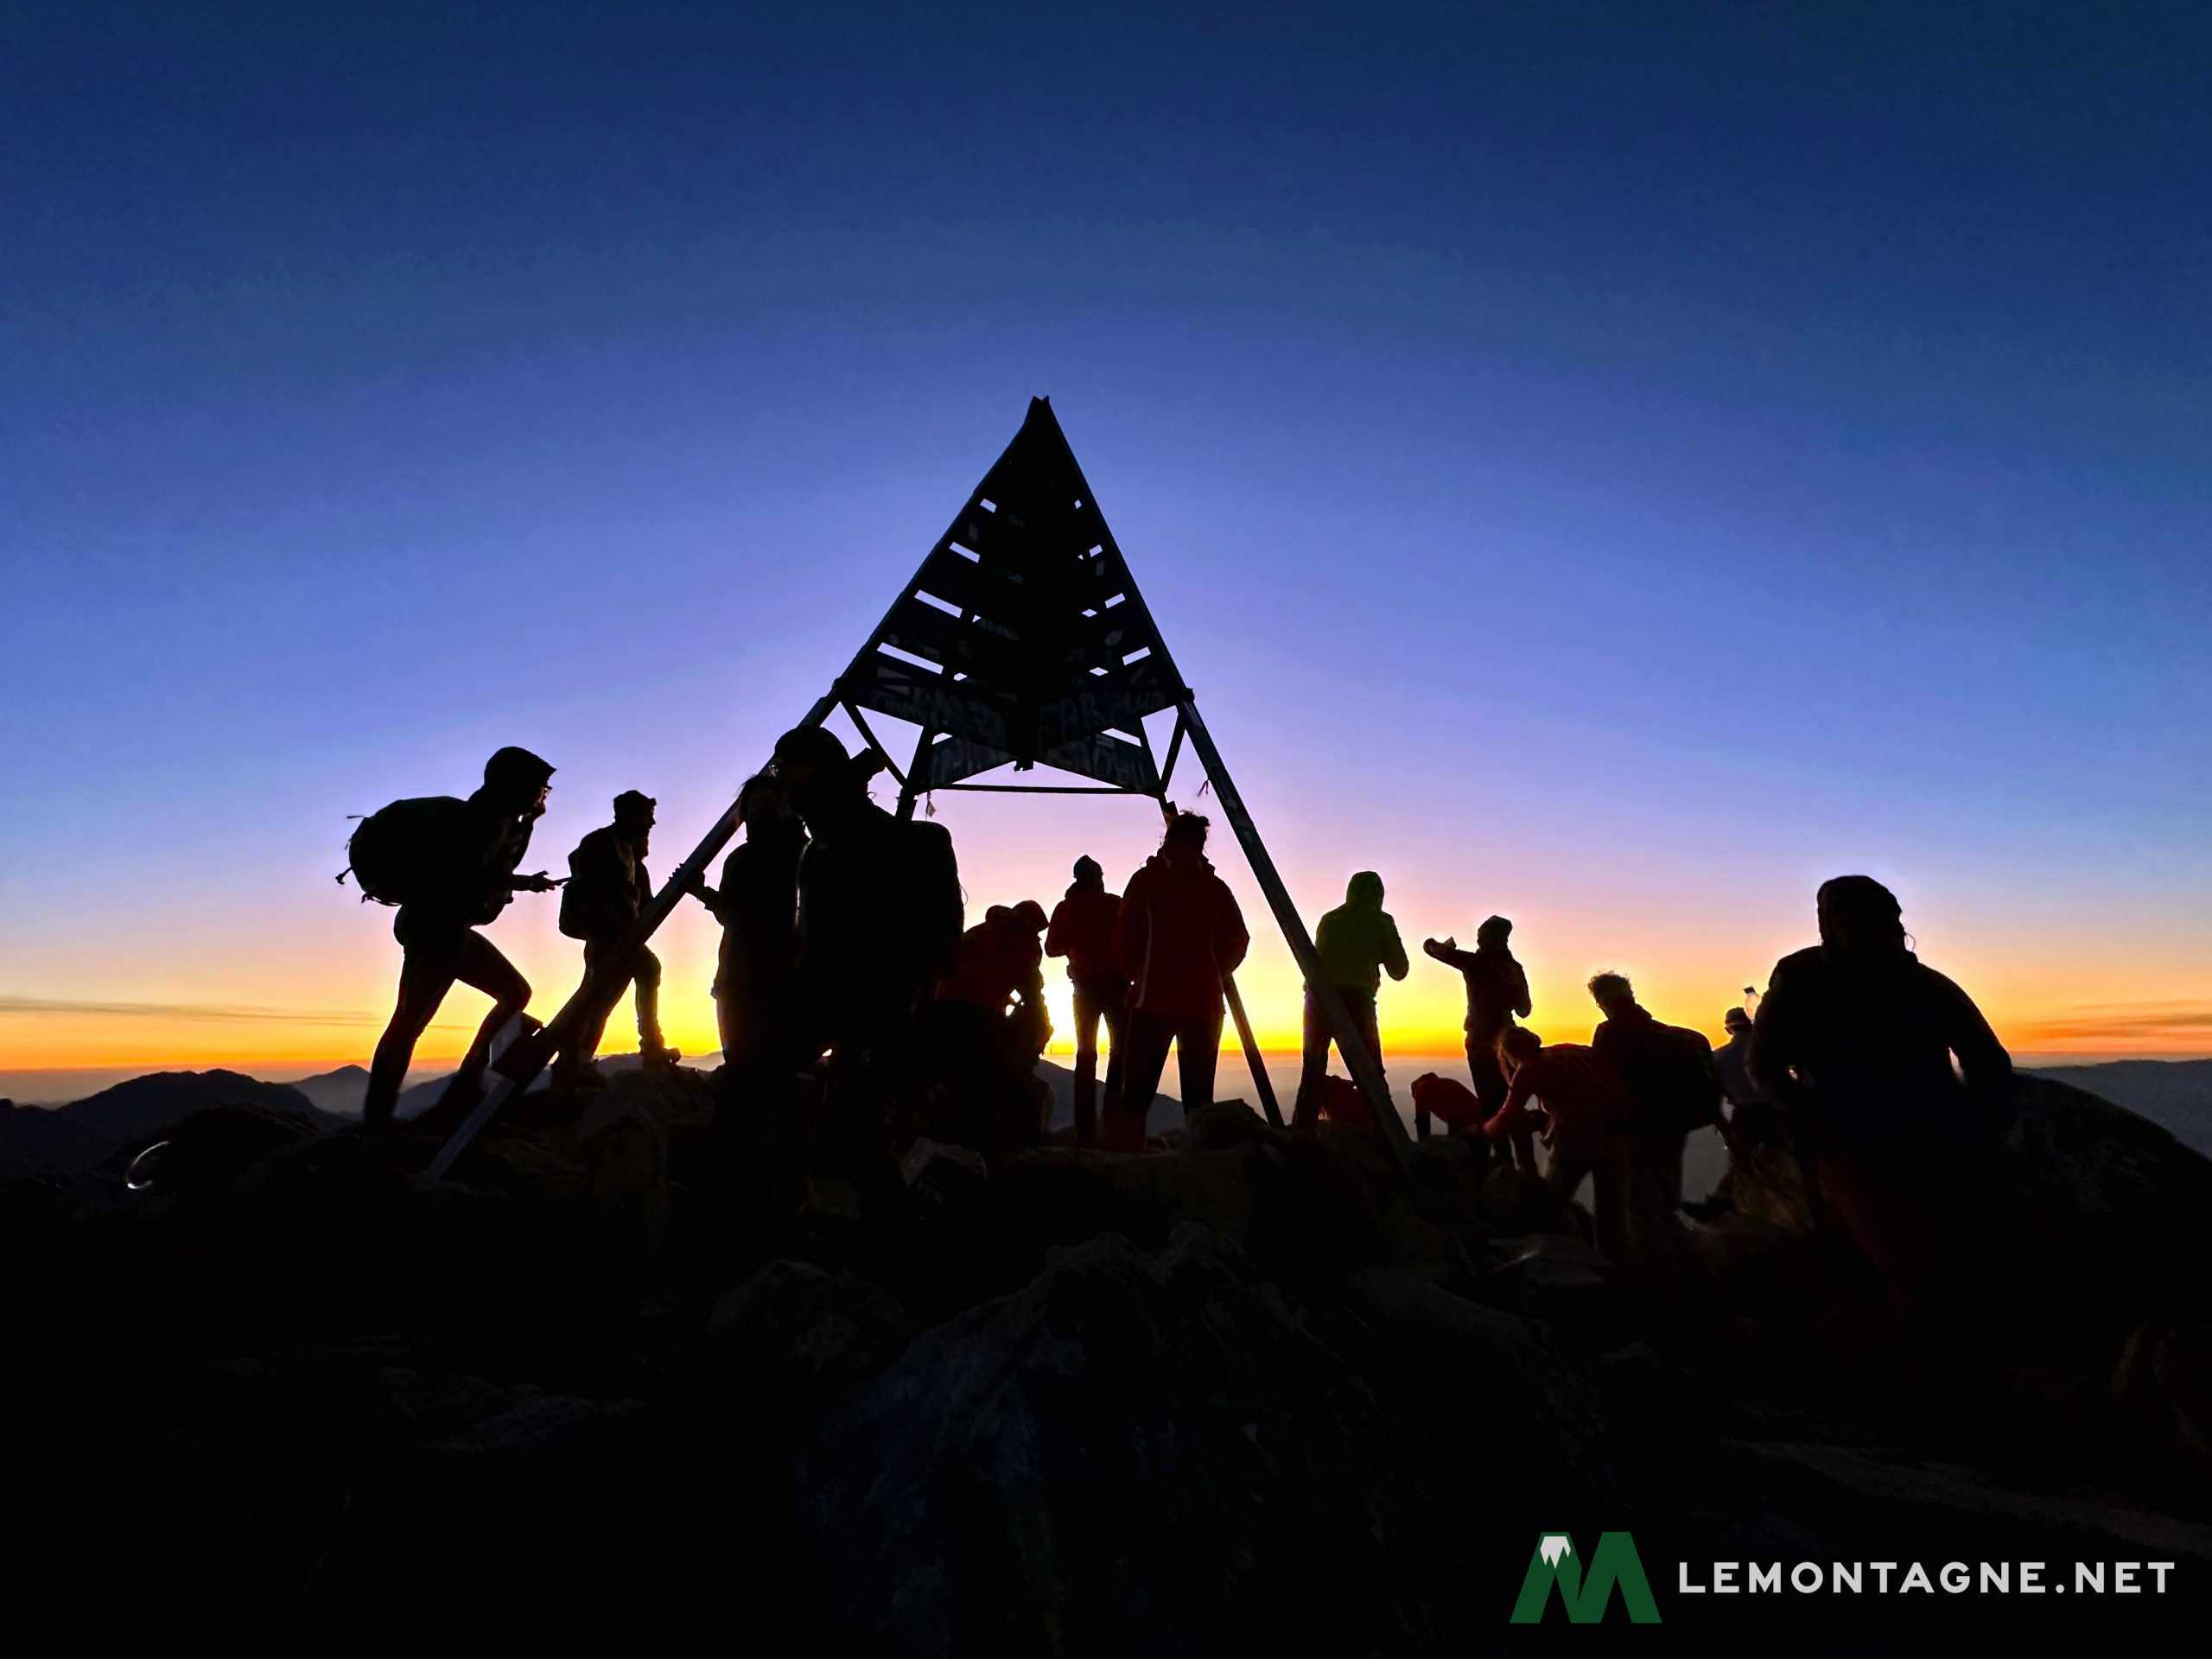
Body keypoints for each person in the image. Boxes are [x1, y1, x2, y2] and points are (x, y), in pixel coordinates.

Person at [1751, 875, 2014, 1319]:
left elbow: (1765, 1067)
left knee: (1904, 1263)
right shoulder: (1921, 984)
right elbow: (1988, 1063)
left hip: (1878, 1140)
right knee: (1919, 1261)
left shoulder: (1805, 980)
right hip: (1896, 1138)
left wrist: (1809, 1115)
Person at [361, 747, 562, 1130]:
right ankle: (387, 1117)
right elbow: (474, 871)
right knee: (410, 1023)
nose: (543, 794)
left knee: (508, 995)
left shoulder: (488, 814)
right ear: (515, 784)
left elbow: (489, 865)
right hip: (439, 928)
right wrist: (524, 880)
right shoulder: (488, 819)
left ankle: (452, 1090)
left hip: (436, 925)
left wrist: (528, 829)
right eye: (540, 787)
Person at [771, 726, 963, 1072]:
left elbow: (939, 952)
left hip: (888, 1045)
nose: (781, 783)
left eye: (788, 771)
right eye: (778, 771)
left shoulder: (919, 846)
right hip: (862, 1039)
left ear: (821, 775)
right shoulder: (815, 856)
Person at [690, 772, 808, 1199]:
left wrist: (789, 812)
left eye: (769, 805)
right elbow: (732, 915)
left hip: (778, 977)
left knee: (774, 1075)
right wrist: (702, 894)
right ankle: (742, 1176)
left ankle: (779, 1178)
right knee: (740, 1065)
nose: (760, 812)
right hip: (734, 975)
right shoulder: (738, 859)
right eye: (754, 806)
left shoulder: (794, 847)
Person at [1108, 810, 1249, 1150]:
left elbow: (1125, 934)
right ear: (1200, 845)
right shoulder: (1214, 887)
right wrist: (1215, 973)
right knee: (1199, 1100)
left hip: (1152, 1000)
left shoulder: (1146, 881)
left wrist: (1136, 975)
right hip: (1204, 1004)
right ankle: (1201, 1172)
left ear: (1168, 841)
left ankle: (1130, 1167)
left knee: (1136, 1094)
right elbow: (1239, 940)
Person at [556, 790, 679, 1087]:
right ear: (627, 814)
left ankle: (576, 1058)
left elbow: (645, 902)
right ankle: (648, 1046)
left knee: (601, 999)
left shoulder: (633, 855)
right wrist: (612, 932)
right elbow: (591, 892)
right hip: (607, 937)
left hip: (622, 936)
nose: (651, 823)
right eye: (646, 816)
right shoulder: (600, 843)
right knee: (641, 973)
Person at [1481, 1027, 1636, 1262]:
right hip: (1616, 1135)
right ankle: (1618, 1272)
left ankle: (1563, 1265)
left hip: (1575, 1140)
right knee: (1612, 1213)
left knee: (1551, 1202)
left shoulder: (1529, 1068)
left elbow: (1507, 1116)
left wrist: (1478, 1132)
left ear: (1509, 1053)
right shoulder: (1574, 1051)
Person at [1587, 972, 1719, 1209]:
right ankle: (1671, 1224)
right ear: (1630, 995)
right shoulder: (1667, 1034)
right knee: (1667, 1177)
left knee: (1638, 1190)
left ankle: (1653, 1236)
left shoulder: (1608, 1033)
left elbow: (1602, 1079)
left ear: (1601, 1002)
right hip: (1676, 1118)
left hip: (1637, 1123)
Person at [1293, 871, 1409, 1132]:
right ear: (1378, 896)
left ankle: (1301, 1135)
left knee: (1312, 1070)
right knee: (1371, 1072)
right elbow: (1399, 970)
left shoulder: (1330, 919)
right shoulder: (1381, 921)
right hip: (1355, 1000)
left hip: (1316, 999)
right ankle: (1384, 1133)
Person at [1424, 916, 1532, 1152]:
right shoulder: (1514, 968)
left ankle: (1504, 1164)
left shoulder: (1474, 962)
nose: (1477, 938)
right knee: (1513, 1102)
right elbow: (1525, 1010)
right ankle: (1527, 1166)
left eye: (1481, 934)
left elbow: (1429, 948)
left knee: (1491, 1104)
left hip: (1480, 1042)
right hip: (1509, 1042)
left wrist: (1444, 946)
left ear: (1486, 937)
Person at [1046, 856, 1127, 1147]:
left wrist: (1076, 944)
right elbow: (1133, 939)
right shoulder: (1116, 904)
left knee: (1086, 1054)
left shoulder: (1066, 908)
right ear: (1099, 877)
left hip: (1085, 989)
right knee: (1121, 1052)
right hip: (1118, 986)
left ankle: (1085, 1129)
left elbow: (1052, 948)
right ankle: (1113, 1119)